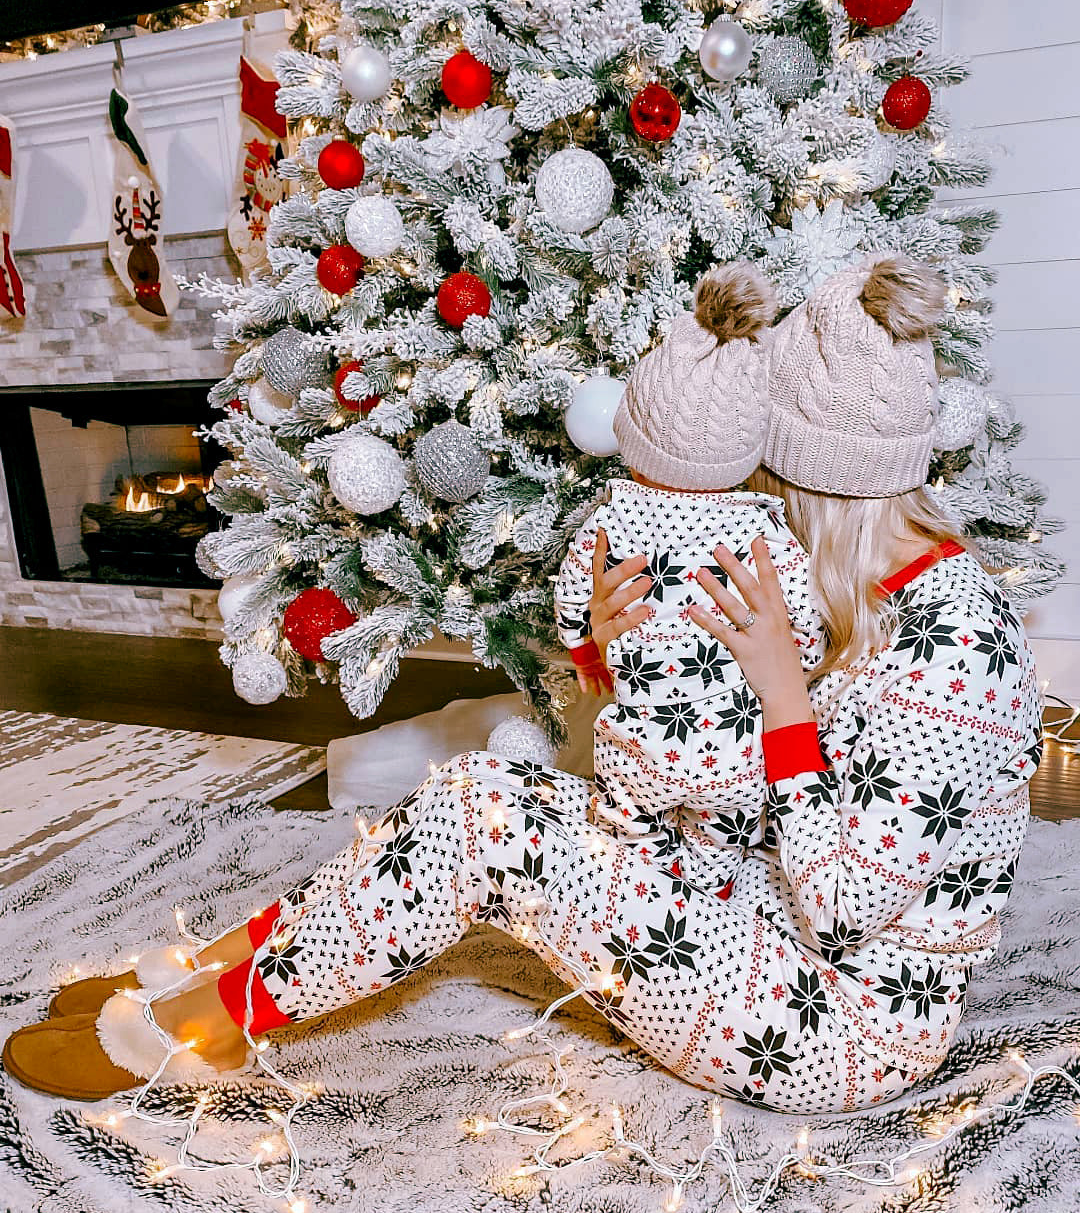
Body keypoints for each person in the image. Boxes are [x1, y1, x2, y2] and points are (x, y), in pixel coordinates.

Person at [3, 256, 1042, 1116]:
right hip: (761, 914)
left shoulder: (959, 650)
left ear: (821, 489)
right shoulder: (873, 594)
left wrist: (781, 697)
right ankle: (190, 977)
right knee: (473, 798)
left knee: (496, 837)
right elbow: (726, 791)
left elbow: (847, 907)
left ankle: (200, 1026)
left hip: (838, 1026)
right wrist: (614, 642)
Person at [554, 261, 824, 860]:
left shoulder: (610, 518)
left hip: (639, 741)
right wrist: (798, 664)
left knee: (627, 840)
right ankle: (716, 892)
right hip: (739, 747)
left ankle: (641, 894)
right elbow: (799, 616)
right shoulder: (763, 528)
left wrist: (585, 653)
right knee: (724, 848)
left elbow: (575, 594)